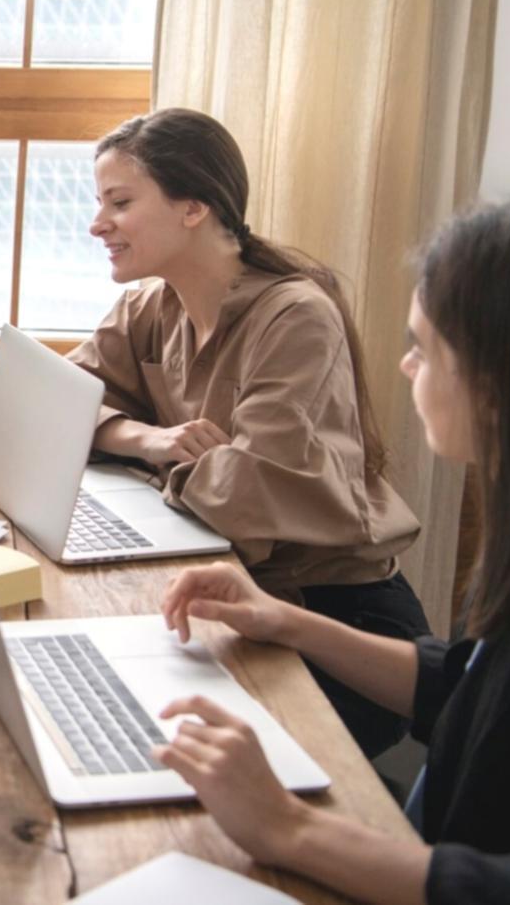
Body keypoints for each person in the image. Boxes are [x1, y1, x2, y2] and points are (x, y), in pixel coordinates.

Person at [153, 193, 510, 904]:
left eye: (423, 346)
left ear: (498, 385)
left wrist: (286, 826)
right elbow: (470, 683)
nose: (408, 368)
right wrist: (283, 620)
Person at [67, 108, 429, 757]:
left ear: (193, 207)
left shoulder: (295, 316)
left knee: (150, 749)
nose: (97, 224)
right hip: (233, 590)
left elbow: (243, 497)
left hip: (334, 614)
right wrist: (147, 441)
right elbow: (58, 405)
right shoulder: (150, 305)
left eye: (119, 202)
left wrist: (154, 458)